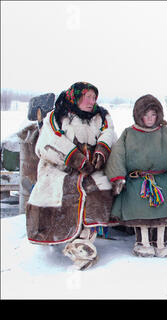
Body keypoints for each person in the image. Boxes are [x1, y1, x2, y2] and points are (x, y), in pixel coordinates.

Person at [26, 81, 117, 270]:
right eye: (88, 97)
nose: (92, 101)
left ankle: (85, 239)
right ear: (76, 97)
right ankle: (63, 237)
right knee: (58, 192)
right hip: (60, 167)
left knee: (100, 190)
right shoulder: (57, 116)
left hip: (92, 169)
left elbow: (108, 134)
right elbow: (47, 143)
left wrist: (101, 151)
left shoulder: (101, 116)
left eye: (94, 97)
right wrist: (76, 159)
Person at [105, 94, 167, 258]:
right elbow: (117, 155)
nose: (150, 118)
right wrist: (117, 177)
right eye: (146, 115)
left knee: (165, 208)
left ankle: (161, 243)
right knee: (138, 209)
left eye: (153, 114)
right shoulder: (128, 134)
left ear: (158, 114)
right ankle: (142, 243)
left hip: (164, 179)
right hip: (137, 181)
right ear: (139, 116)